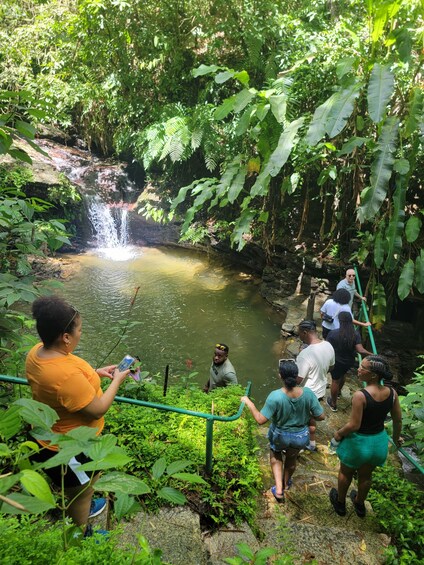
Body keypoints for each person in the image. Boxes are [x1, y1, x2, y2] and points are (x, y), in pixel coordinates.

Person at [26, 295, 131, 533]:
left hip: (55, 435)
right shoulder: (65, 377)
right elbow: (97, 409)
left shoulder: (37, 352)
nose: (80, 334)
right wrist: (117, 380)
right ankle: (82, 533)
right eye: (79, 330)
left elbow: (63, 384)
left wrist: (95, 374)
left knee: (83, 484)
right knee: (82, 490)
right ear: (65, 337)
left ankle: (82, 505)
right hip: (66, 447)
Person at [241, 360, 325, 502]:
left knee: (276, 455)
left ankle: (279, 489)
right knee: (292, 458)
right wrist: (305, 413)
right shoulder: (308, 394)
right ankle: (286, 484)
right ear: (297, 375)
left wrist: (249, 403)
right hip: (300, 436)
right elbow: (321, 416)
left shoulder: (275, 396)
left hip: (280, 435)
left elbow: (261, 420)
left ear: (280, 376)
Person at [329, 355, 402, 518]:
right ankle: (360, 504)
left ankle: (340, 503)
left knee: (346, 472)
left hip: (358, 443)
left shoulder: (360, 395)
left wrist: (339, 433)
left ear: (374, 375)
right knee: (366, 475)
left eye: (363, 368)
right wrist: (397, 438)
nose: (359, 369)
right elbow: (397, 420)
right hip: (377, 443)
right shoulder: (392, 394)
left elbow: (354, 425)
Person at [296, 320, 335, 451]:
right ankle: (311, 444)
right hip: (320, 391)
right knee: (310, 418)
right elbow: (331, 366)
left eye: (299, 333)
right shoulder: (328, 345)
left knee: (301, 420)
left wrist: (285, 375)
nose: (299, 336)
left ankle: (300, 445)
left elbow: (298, 380)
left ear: (305, 332)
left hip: (306, 393)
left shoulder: (305, 354)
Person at [326, 311, 373, 412]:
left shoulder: (333, 333)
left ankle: (333, 404)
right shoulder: (355, 334)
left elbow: (326, 348)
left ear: (340, 321)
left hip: (336, 361)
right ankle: (338, 393)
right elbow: (360, 350)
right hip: (348, 362)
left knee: (335, 380)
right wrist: (373, 355)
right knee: (343, 375)